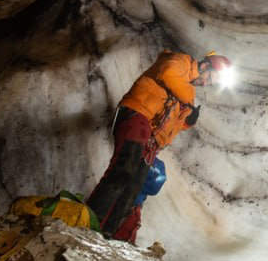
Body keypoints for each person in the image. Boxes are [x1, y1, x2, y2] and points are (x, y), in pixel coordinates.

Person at [86, 50, 232, 238]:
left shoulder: (188, 91)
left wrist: (187, 122)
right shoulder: (181, 62)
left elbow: (173, 125)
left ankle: (108, 233)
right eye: (210, 79)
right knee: (123, 170)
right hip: (136, 114)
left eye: (211, 83)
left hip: (150, 136)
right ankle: (88, 222)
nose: (207, 84)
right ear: (205, 66)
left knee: (134, 187)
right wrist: (188, 101)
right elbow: (167, 73)